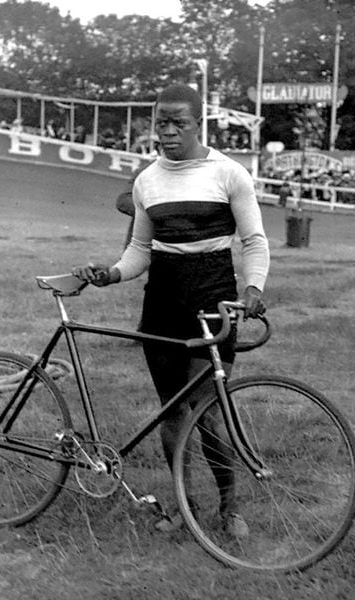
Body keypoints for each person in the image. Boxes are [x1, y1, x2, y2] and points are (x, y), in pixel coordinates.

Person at [72, 83, 269, 538]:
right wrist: (111, 273)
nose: (168, 131)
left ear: (199, 123)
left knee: (207, 409)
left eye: (179, 122)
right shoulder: (147, 181)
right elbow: (140, 249)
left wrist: (254, 287)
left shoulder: (229, 174)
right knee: (171, 412)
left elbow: (254, 242)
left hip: (212, 299)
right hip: (162, 302)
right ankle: (185, 507)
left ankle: (229, 507)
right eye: (161, 122)